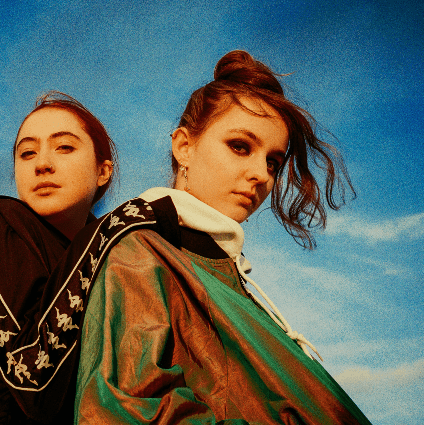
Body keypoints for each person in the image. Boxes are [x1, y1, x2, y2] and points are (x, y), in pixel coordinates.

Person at [73, 51, 372, 424]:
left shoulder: (223, 269)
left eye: (273, 162)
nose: (261, 174)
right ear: (184, 147)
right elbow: (123, 409)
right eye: (240, 146)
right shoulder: (140, 251)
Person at [0, 92, 116, 424]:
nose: (42, 164)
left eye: (64, 147)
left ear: (103, 171)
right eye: (27, 153)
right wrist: (126, 221)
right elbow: (29, 375)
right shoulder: (2, 225)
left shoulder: (116, 254)